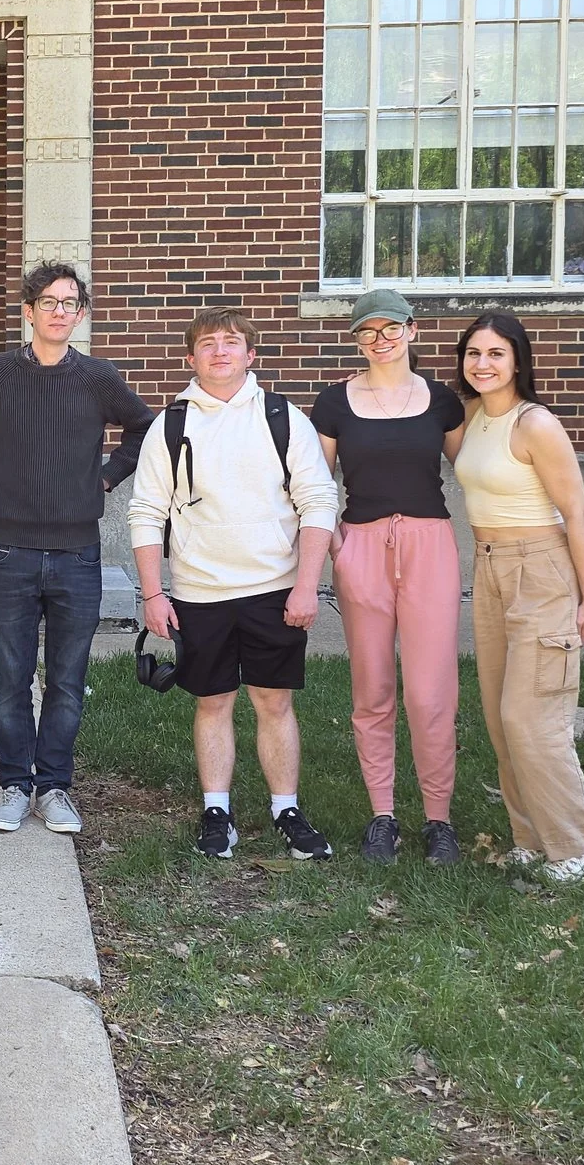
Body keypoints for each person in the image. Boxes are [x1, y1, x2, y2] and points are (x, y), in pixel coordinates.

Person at [127, 306, 341, 862]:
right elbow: (145, 511)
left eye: (230, 342)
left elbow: (319, 501)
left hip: (274, 588)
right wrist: (154, 593)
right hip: (199, 592)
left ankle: (286, 810)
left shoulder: (283, 417)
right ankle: (216, 812)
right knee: (213, 701)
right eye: (207, 344)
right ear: (190, 357)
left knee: (274, 702)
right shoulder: (170, 425)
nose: (219, 351)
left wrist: (307, 586)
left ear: (251, 354)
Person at [0, 261, 154, 837]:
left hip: (77, 553)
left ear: (80, 314)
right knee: (10, 679)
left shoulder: (98, 377)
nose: (59, 311)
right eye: (48, 302)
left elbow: (142, 426)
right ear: (29, 311)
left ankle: (54, 787)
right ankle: (15, 785)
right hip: (10, 551)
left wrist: (106, 477)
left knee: (66, 680)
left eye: (69, 303)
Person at [306, 289, 468, 866]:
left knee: (430, 691)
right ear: (356, 340)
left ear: (412, 331)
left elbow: (475, 470)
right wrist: (335, 544)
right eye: (368, 331)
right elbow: (315, 483)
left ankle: (438, 819)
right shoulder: (334, 403)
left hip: (429, 547)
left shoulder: (442, 401)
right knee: (372, 687)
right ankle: (383, 815)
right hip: (363, 547)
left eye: (391, 328)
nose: (381, 340)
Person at [452, 311, 584, 883]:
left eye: (496, 353)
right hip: (490, 569)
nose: (483, 364)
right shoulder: (472, 416)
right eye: (474, 353)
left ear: (518, 360)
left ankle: (581, 841)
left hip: (541, 572)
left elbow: (577, 512)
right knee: (501, 718)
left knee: (532, 716)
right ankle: (531, 836)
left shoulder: (536, 424)